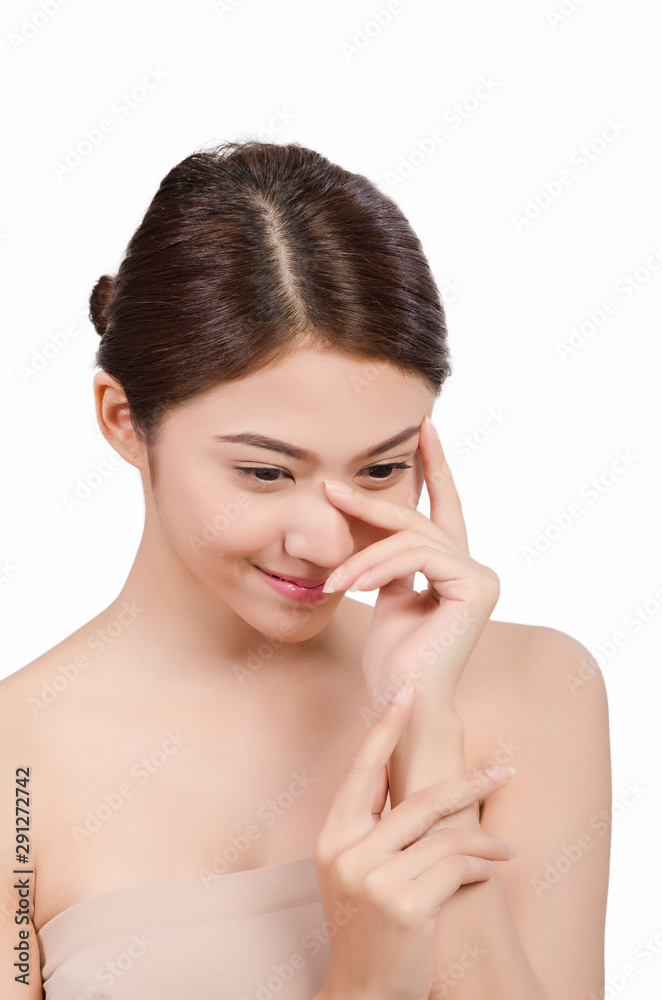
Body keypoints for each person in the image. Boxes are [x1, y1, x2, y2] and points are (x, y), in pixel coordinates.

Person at [0, 139, 610, 1000]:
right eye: (265, 472)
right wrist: (365, 983)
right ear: (123, 420)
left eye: (381, 468)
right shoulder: (15, 773)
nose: (327, 544)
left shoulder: (532, 686)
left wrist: (426, 736)